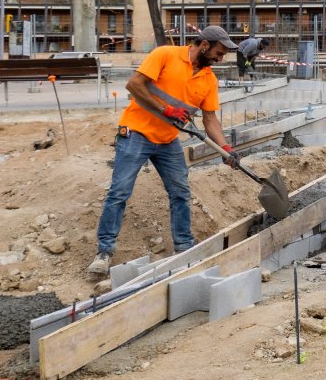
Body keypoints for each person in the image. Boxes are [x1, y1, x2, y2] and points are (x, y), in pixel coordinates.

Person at [88, 26, 241, 276]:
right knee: (119, 192)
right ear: (204, 45)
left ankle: (184, 247)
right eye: (219, 53)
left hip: (168, 140)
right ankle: (104, 252)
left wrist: (225, 148)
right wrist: (166, 110)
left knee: (180, 192)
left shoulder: (208, 79)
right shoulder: (165, 55)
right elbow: (134, 85)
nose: (220, 59)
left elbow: (210, 119)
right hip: (136, 132)